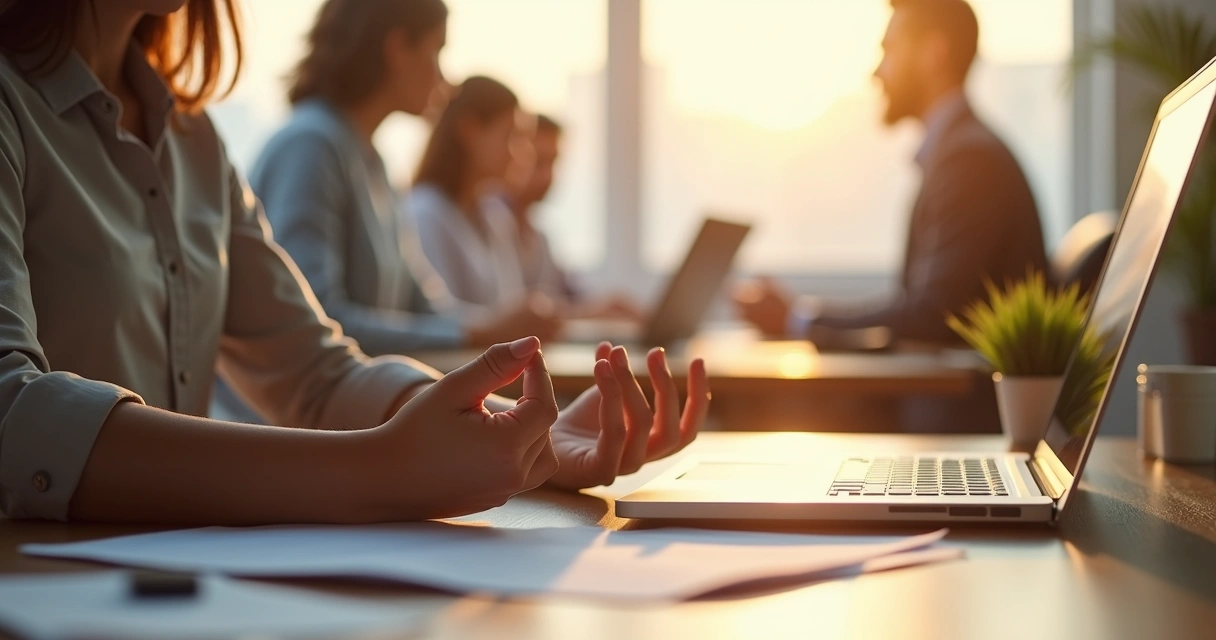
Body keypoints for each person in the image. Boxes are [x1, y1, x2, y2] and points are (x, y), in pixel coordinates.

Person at [0, 0, 709, 524]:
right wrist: (380, 468)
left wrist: (513, 436)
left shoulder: (193, 139)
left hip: (163, 590)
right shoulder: (14, 107)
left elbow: (315, 370)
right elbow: (12, 411)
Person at [209, 0, 558, 422]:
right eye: (437, 51)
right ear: (398, 48)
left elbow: (421, 305)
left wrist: (499, 329)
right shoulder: (311, 146)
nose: (445, 80)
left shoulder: (373, 162)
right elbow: (319, 321)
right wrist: (480, 331)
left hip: (350, 422)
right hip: (277, 432)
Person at [735, 0, 1048, 349]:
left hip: (959, 398)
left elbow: (931, 315)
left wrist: (798, 319)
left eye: (889, 51)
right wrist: (800, 318)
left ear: (933, 54)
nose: (877, 73)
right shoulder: (959, 152)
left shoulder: (970, 162)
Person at [407, 76, 539, 313]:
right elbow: (439, 316)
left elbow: (510, 314)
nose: (520, 153)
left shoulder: (495, 214)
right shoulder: (424, 212)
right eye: (510, 136)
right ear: (469, 130)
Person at [502, 114, 641, 320]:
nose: (548, 176)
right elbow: (512, 313)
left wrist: (607, 308)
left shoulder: (539, 237)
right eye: (538, 161)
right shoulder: (491, 225)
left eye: (553, 163)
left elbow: (571, 295)